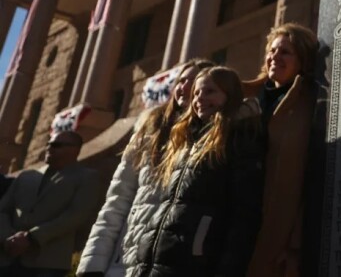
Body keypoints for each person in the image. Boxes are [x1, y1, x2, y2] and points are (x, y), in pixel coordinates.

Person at [77, 58, 214, 277]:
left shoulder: (213, 138)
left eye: (193, 82)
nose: (184, 87)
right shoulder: (148, 133)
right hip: (122, 263)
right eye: (181, 80)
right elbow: (117, 202)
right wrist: (92, 264)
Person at [131, 66, 264, 277]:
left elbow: (244, 216)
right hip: (155, 264)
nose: (200, 98)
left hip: (195, 266)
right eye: (196, 93)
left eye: (210, 92)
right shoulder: (186, 140)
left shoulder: (240, 139)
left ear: (230, 95)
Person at [242, 22, 318, 277]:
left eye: (285, 52)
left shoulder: (311, 105)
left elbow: (311, 177)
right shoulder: (244, 99)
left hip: (277, 232)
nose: (275, 57)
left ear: (303, 59)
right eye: (272, 51)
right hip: (234, 219)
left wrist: (296, 245)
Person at [0, 131, 102, 277]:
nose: (49, 148)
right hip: (7, 257)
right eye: (48, 144)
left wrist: (31, 237)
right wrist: (8, 237)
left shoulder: (86, 177)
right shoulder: (27, 176)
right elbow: (3, 210)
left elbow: (76, 215)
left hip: (46, 263)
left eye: (56, 145)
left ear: (75, 149)